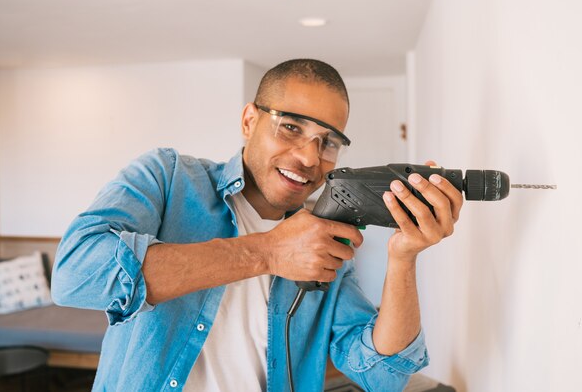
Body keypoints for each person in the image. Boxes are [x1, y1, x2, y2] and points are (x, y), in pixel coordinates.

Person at [51, 59, 463, 392]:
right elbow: (75, 275)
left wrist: (404, 256)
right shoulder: (166, 177)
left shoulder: (326, 240)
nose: (308, 157)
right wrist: (268, 251)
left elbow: (382, 375)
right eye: (291, 127)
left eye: (328, 142)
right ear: (249, 120)